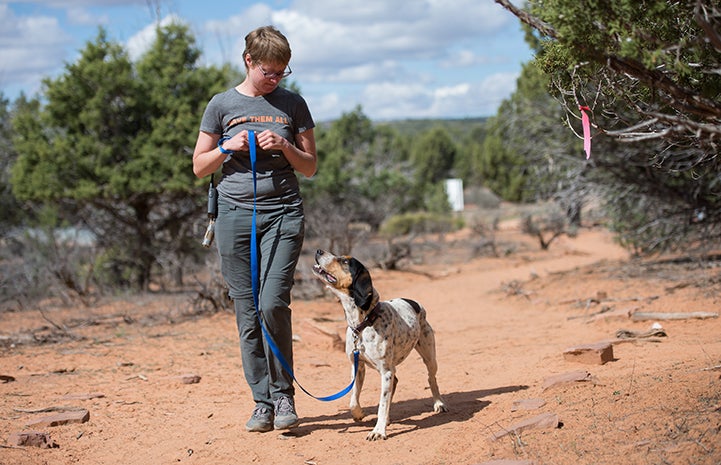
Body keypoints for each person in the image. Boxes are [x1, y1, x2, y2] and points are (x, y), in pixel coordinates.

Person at [192, 25, 317, 433]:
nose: (276, 79)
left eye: (283, 72)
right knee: (247, 312)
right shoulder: (221, 104)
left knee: (271, 304)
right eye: (269, 71)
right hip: (233, 215)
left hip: (283, 212)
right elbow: (199, 166)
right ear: (248, 61)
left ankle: (284, 397)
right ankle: (262, 402)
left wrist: (284, 146)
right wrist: (227, 147)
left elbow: (310, 166)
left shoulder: (293, 104)